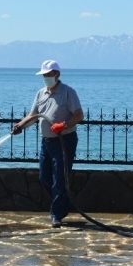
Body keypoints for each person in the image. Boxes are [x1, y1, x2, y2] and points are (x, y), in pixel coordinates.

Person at [11, 60, 84, 228]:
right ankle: (62, 205)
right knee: (44, 177)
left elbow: (79, 115)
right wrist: (20, 126)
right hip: (46, 141)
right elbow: (33, 115)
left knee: (59, 178)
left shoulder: (68, 92)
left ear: (56, 74)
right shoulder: (41, 93)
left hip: (64, 141)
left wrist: (64, 125)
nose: (45, 77)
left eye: (48, 74)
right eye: (44, 75)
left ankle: (56, 214)